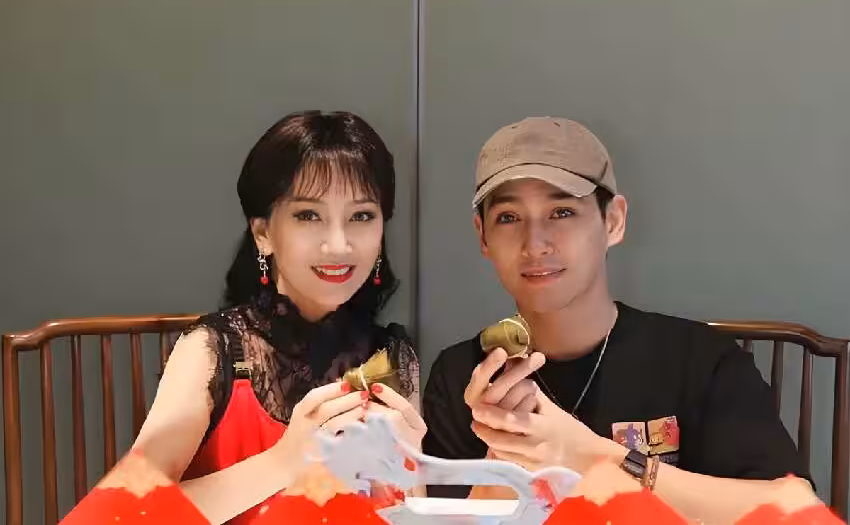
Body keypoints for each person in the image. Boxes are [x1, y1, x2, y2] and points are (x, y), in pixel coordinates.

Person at [422, 116, 811, 523]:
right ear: (482, 235)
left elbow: (797, 511)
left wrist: (592, 456)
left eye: (561, 211)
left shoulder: (699, 360)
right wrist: (504, 458)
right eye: (508, 217)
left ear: (613, 221)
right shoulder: (462, 376)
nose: (534, 244)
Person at [131, 111, 425, 524]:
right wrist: (284, 461)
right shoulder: (211, 350)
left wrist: (407, 472)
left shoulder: (393, 356)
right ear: (263, 233)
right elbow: (129, 511)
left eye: (361, 216)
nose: (338, 245)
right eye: (308, 215)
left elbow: (407, 511)